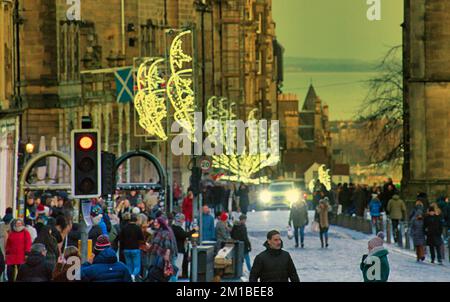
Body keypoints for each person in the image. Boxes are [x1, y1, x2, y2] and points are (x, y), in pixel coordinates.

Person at [118, 213, 145, 281]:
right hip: (135, 249)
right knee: (137, 266)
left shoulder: (124, 228)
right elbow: (141, 238)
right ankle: (133, 275)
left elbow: (121, 238)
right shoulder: (137, 228)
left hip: (126, 249)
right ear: (136, 220)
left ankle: (130, 278)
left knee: (129, 265)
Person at [172, 213, 197, 279]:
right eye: (183, 220)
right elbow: (184, 234)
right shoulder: (177, 228)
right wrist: (194, 230)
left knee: (176, 266)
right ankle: (174, 279)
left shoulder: (173, 227)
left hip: (176, 249)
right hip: (178, 250)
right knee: (177, 266)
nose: (183, 221)